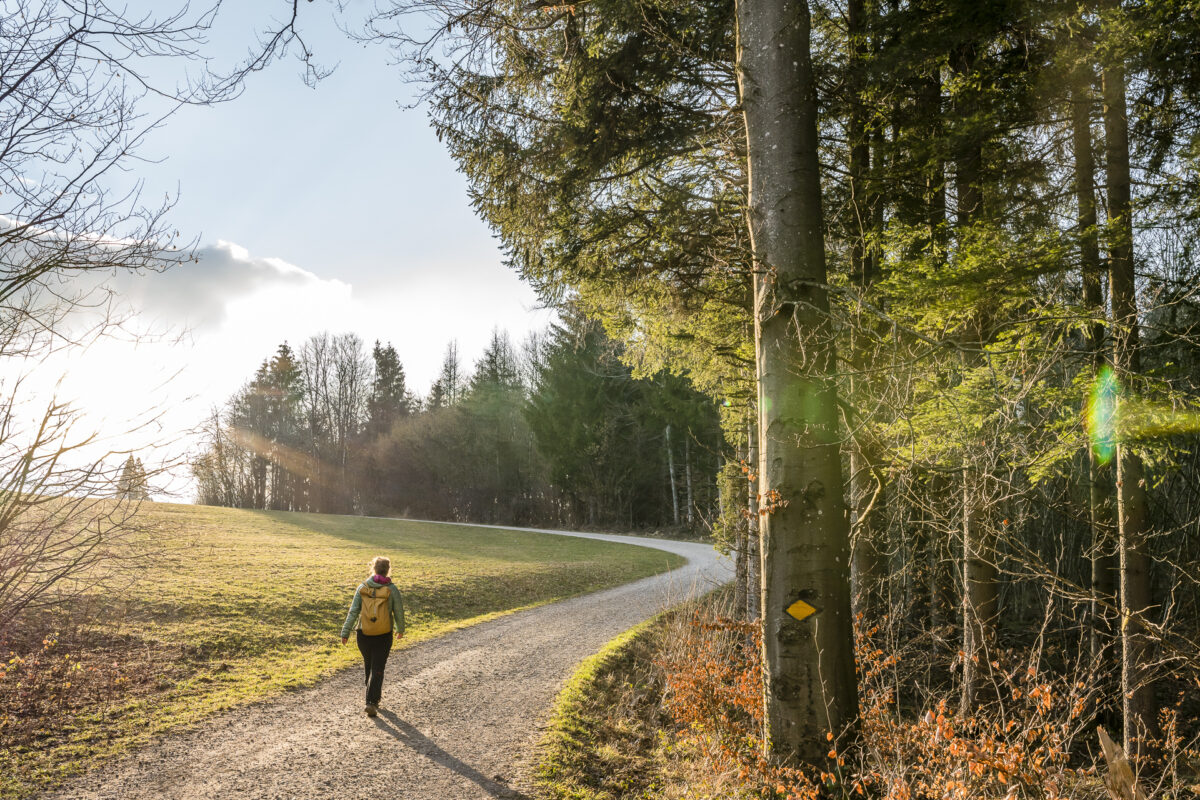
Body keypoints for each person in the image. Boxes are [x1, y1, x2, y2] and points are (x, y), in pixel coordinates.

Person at [340, 555, 406, 717]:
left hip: (363, 634)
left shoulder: (362, 587)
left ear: (373, 569)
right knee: (378, 668)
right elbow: (398, 611)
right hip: (383, 634)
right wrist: (400, 629)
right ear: (388, 570)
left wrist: (345, 632)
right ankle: (372, 702)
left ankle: (370, 698)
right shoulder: (392, 589)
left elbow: (353, 611)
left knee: (369, 665)